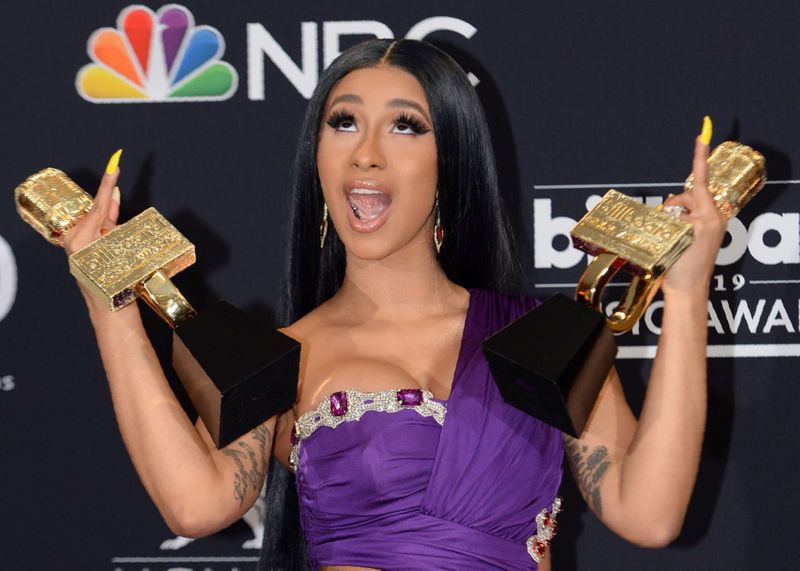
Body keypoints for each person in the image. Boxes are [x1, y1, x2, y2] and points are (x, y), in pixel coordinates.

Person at [64, 39, 725, 570]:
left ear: (450, 161)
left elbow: (649, 513)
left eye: (405, 126)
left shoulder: (540, 337)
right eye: (343, 122)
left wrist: (688, 293)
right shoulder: (285, 355)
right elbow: (197, 504)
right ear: (317, 159)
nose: (367, 154)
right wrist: (110, 301)